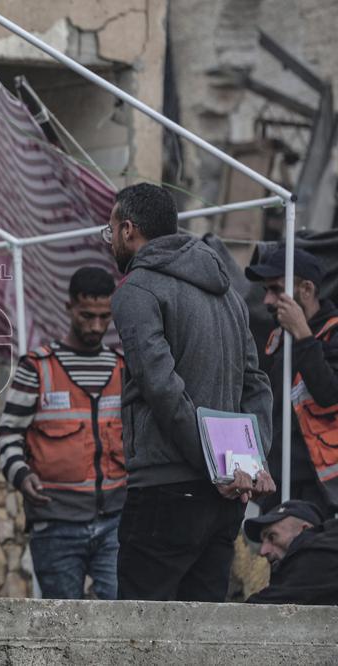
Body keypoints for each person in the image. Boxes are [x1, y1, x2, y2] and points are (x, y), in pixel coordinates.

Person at [104, 182, 275, 602]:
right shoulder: (228, 294)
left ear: (128, 230)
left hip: (168, 488)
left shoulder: (137, 289)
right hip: (226, 499)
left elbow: (162, 389)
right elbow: (257, 384)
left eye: (110, 230)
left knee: (141, 636)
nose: (109, 240)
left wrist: (216, 468)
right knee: (201, 634)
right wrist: (248, 465)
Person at [0, 267, 125, 599]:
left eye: (104, 317)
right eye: (87, 316)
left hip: (116, 521)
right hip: (55, 524)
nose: (96, 326)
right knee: (64, 626)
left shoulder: (124, 368)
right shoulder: (36, 368)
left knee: (123, 618)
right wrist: (22, 476)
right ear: (69, 308)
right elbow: (9, 434)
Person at [245, 248, 338, 516]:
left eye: (275, 289)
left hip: (321, 490)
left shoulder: (332, 333)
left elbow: (328, 394)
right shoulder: (278, 339)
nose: (267, 300)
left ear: (306, 289)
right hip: (276, 482)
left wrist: (303, 335)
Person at [243, 500, 338, 604]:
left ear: (304, 529)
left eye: (272, 537)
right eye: (263, 542)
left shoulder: (320, 555)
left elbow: (271, 603)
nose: (263, 551)